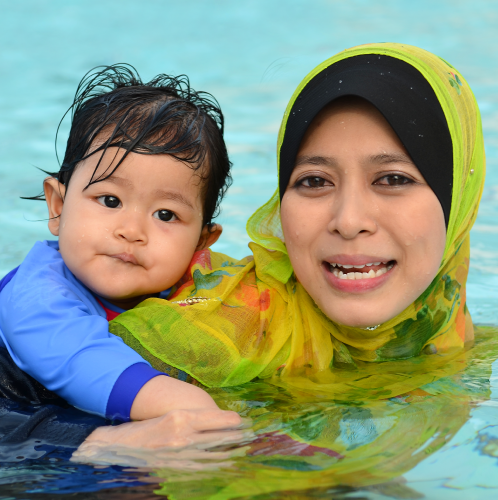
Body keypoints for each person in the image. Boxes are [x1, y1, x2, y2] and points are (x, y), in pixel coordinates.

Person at [108, 42, 485, 402]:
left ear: (457, 201)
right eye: (315, 181)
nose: (349, 221)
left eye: (393, 179)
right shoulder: (220, 338)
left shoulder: (450, 337)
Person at [0, 64, 242, 426]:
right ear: (59, 207)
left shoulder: (206, 289)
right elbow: (87, 363)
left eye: (165, 214)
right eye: (110, 201)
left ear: (201, 245)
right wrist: (203, 411)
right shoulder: (35, 299)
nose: (132, 231)